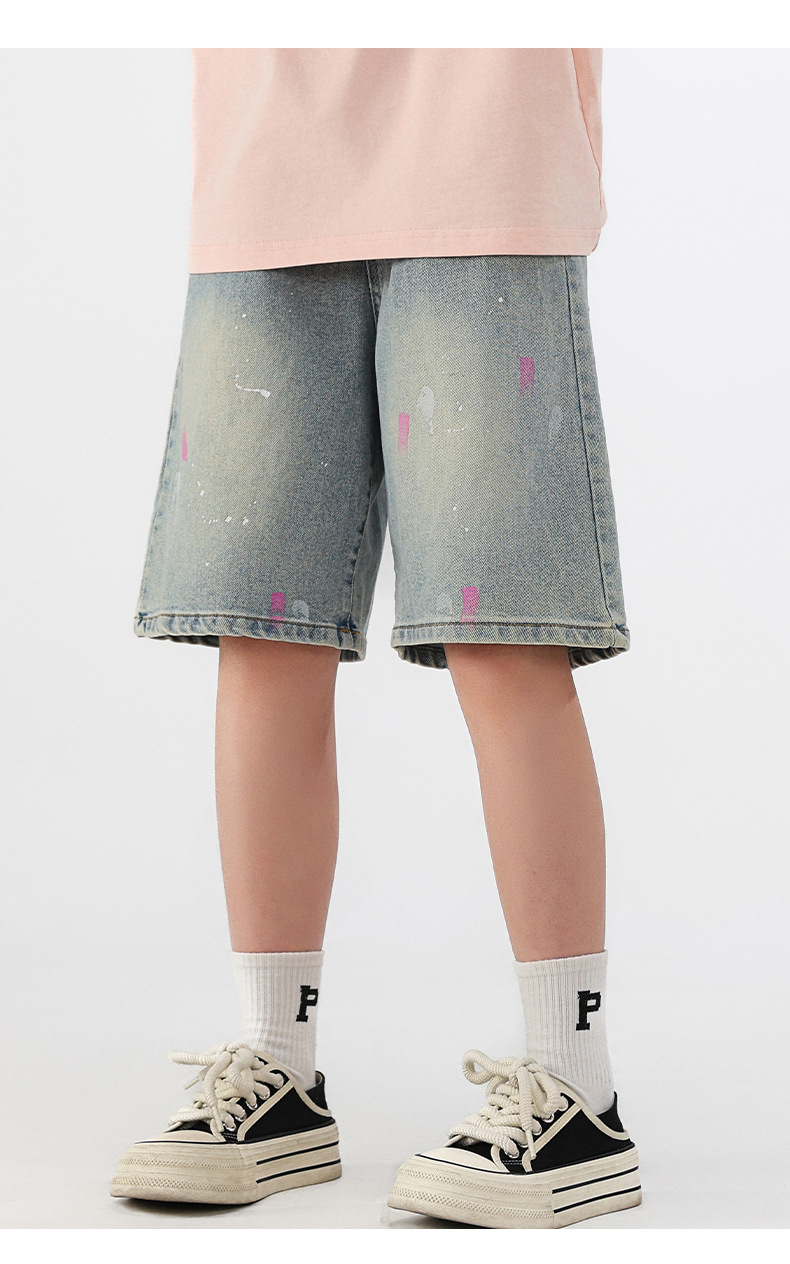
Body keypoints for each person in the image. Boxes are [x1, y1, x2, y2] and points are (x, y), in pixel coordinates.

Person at [111, 47, 640, 1229]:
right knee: (261, 634)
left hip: (484, 164)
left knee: (502, 636)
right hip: (262, 172)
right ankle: (276, 1069)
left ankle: (577, 1086)